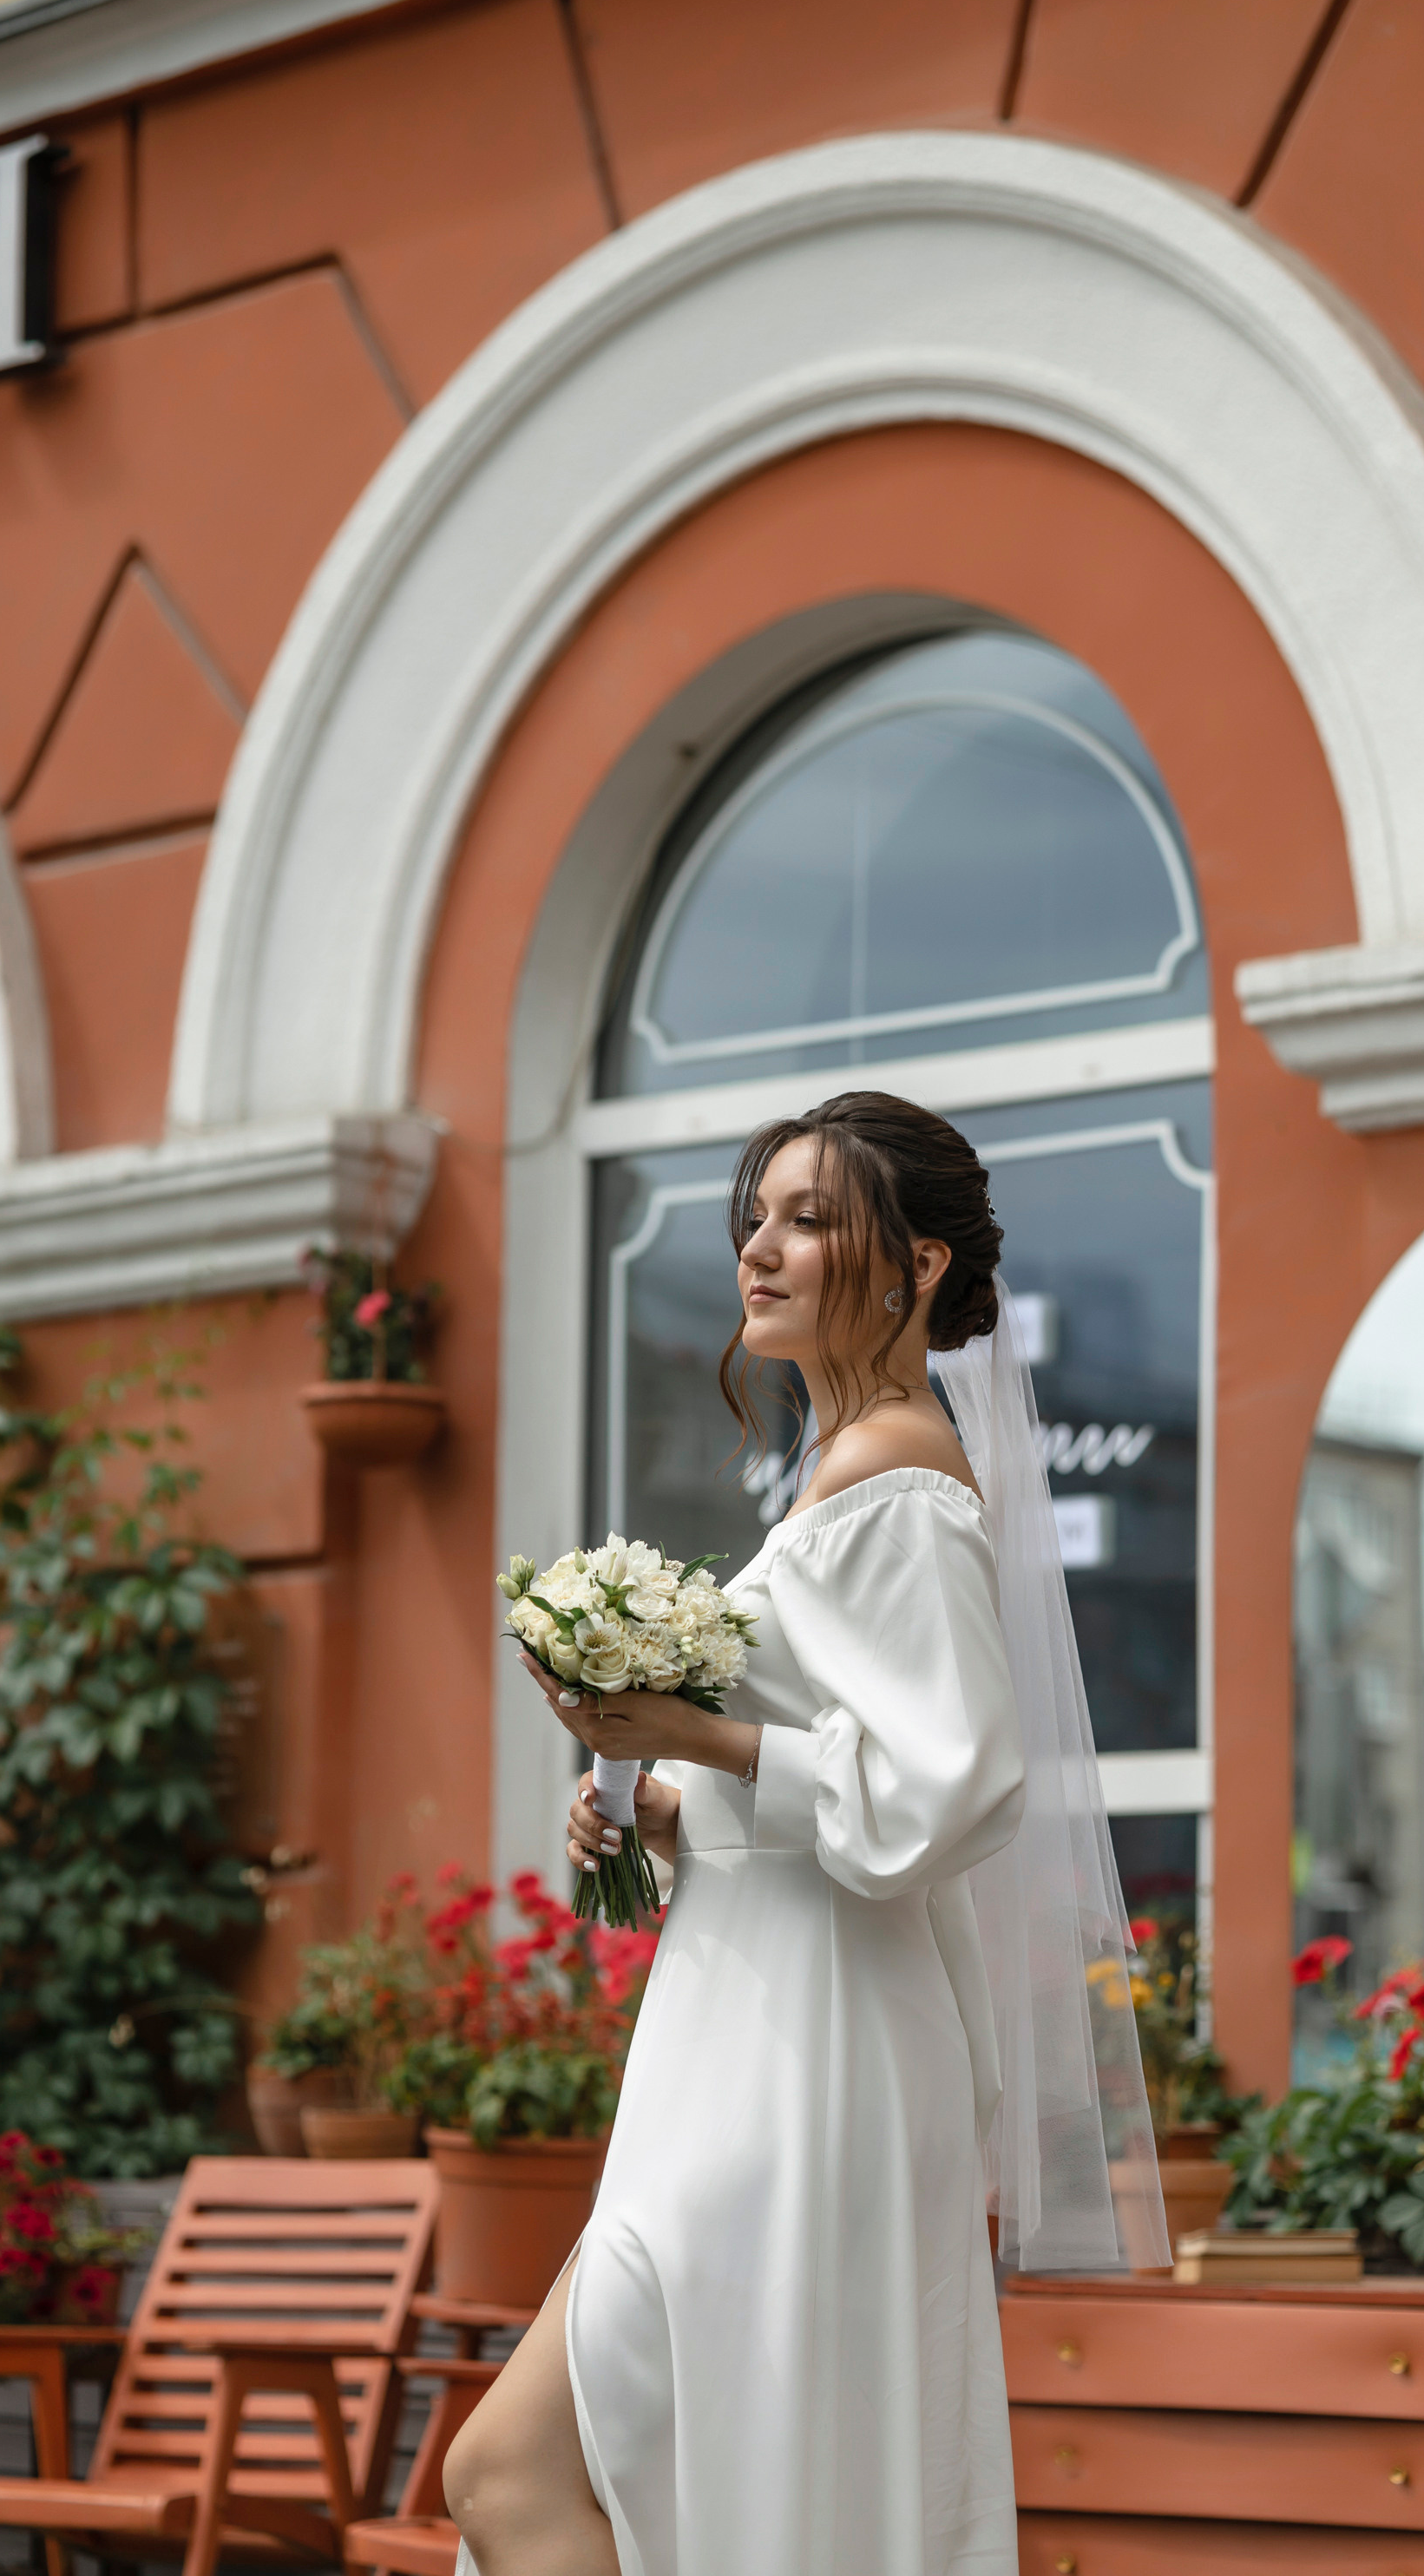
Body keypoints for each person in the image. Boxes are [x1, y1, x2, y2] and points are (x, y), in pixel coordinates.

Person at [444, 1091, 1160, 2575]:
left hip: (810, 2054)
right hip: (754, 2030)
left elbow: (955, 1787)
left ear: (920, 1266)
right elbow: (835, 1774)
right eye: (755, 1218)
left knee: (514, 2470)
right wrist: (661, 1801)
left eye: (810, 1219)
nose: (759, 1250)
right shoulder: (853, 1468)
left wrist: (701, 1737)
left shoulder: (895, 1480)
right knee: (595, 2473)